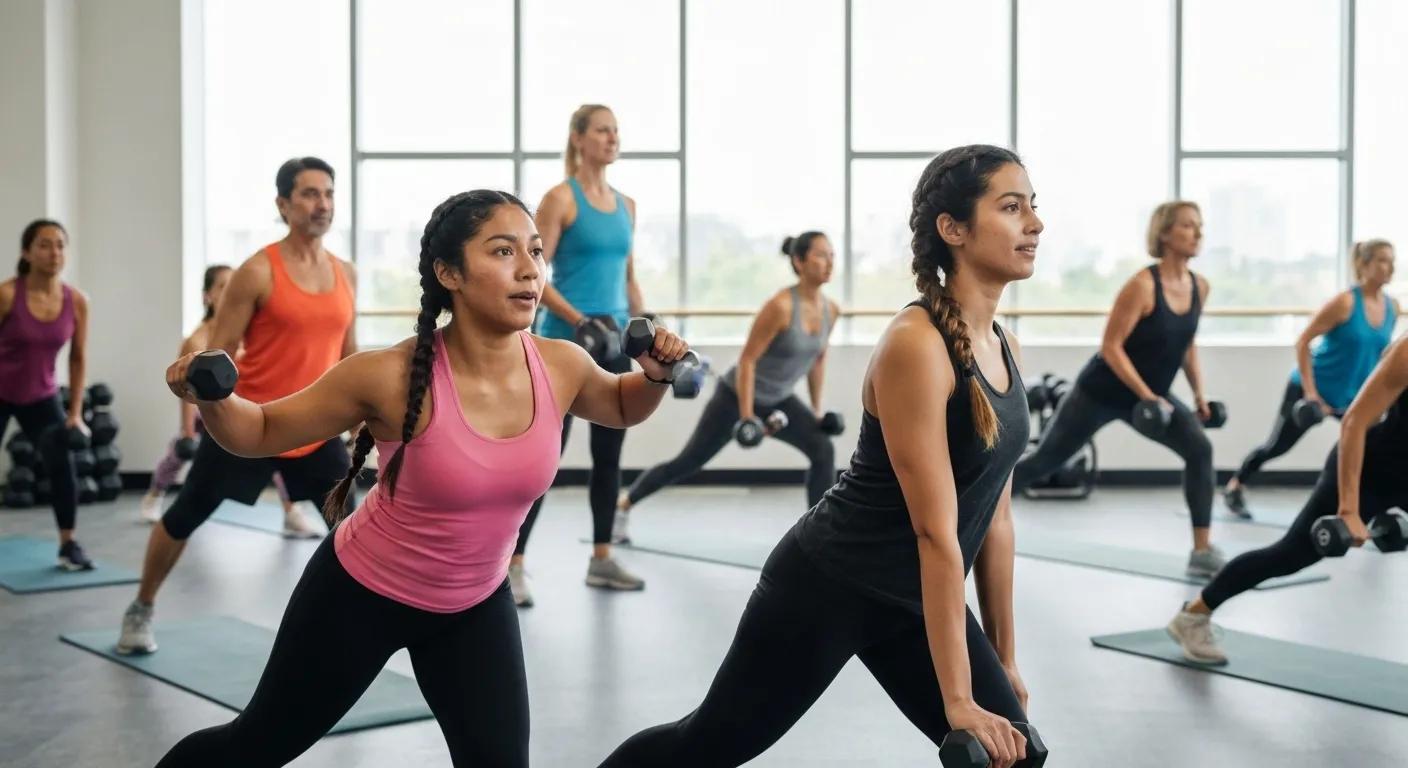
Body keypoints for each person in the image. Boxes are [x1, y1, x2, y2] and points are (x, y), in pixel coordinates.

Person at [154, 189, 689, 767]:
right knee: (256, 746)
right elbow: (256, 433)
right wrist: (211, 395)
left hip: (475, 603)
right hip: (361, 595)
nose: (530, 269)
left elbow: (620, 403)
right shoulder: (385, 374)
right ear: (448, 273)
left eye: (535, 252)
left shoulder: (560, 365)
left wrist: (654, 377)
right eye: (504, 252)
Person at [599, 145, 1041, 768]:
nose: (1035, 223)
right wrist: (960, 700)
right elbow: (935, 534)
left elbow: (994, 519)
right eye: (1011, 207)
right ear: (954, 230)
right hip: (830, 585)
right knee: (706, 744)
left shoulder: (1006, 347)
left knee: (1017, 758)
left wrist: (1004, 658)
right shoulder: (917, 346)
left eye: (1033, 207)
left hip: (915, 598)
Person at [118, 157, 355, 655]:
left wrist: (361, 419)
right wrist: (190, 388)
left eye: (329, 193)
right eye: (310, 194)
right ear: (283, 204)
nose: (323, 204)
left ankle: (354, 631)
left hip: (314, 427)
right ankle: (141, 607)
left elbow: (349, 354)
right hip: (253, 424)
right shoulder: (256, 272)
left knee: (354, 533)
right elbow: (216, 357)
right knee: (186, 514)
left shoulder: (345, 273)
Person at [1010, 201, 1226, 577]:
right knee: (1047, 460)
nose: (1198, 233)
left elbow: (1187, 343)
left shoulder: (1199, 287)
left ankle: (1202, 550)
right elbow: (1111, 347)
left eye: (1199, 225)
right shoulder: (1142, 286)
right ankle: (970, 508)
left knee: (1200, 449)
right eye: (1188, 226)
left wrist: (1198, 395)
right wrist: (1145, 394)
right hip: (1100, 392)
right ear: (1164, 234)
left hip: (1151, 394)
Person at [1168, 333, 1408, 664]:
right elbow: (1354, 421)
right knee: (1291, 554)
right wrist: (1349, 509)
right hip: (1369, 470)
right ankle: (1193, 616)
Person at [613, 232, 840, 542]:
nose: (829, 262)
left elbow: (817, 360)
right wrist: (747, 416)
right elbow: (747, 361)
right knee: (688, 462)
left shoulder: (831, 310)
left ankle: (818, 536)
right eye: (821, 255)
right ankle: (624, 505)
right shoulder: (781, 306)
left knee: (822, 448)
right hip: (735, 396)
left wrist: (815, 411)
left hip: (780, 399)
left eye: (832, 255)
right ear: (799, 262)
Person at [511, 104, 649, 606]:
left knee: (609, 456)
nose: (613, 138)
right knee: (544, 458)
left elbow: (629, 277)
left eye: (616, 130)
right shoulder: (558, 200)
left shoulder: (627, 205)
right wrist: (577, 320)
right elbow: (533, 275)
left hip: (613, 342)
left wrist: (645, 323)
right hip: (565, 344)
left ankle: (601, 556)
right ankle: (514, 563)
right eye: (602, 130)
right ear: (578, 138)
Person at [1223, 240, 1398, 518]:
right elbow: (1303, 341)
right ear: (1363, 266)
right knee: (1277, 446)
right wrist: (1310, 393)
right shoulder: (1344, 303)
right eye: (1382, 260)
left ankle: (1371, 512)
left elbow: (1380, 356)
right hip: (1311, 389)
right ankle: (1235, 485)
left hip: (1351, 396)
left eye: (1392, 260)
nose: (1390, 267)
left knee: (1372, 450)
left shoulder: (1392, 307)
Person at [138, 266, 307, 530]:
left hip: (241, 407)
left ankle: (290, 511)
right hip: (203, 411)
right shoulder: (196, 341)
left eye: (233, 285)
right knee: (179, 455)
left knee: (275, 453)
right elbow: (186, 391)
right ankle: (155, 493)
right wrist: (186, 430)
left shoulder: (246, 333)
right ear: (207, 296)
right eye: (222, 287)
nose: (230, 292)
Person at [0, 219, 91, 569]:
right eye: (44, 244)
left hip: (41, 395)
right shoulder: (8, 294)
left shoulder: (77, 301)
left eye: (60, 244)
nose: (54, 252)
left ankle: (69, 544)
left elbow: (78, 357)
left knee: (61, 464)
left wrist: (75, 413)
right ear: (26, 251)